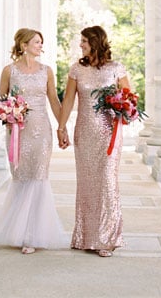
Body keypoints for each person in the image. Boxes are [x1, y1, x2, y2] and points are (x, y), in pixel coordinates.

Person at [0, 28, 67, 254]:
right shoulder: (9, 71)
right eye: (36, 42)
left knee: (39, 175)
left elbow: (53, 100)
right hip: (17, 130)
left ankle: (33, 235)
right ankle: (20, 232)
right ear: (24, 45)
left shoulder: (47, 71)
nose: (40, 46)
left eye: (41, 42)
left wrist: (62, 127)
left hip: (41, 130)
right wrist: (9, 114)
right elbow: (2, 101)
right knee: (21, 175)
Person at [56, 25, 130, 257]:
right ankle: (86, 237)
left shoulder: (116, 68)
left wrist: (122, 109)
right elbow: (68, 100)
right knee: (87, 185)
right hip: (84, 132)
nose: (81, 45)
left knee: (107, 182)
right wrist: (61, 127)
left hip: (109, 133)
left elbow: (129, 99)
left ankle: (107, 238)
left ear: (96, 42)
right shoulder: (77, 69)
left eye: (85, 41)